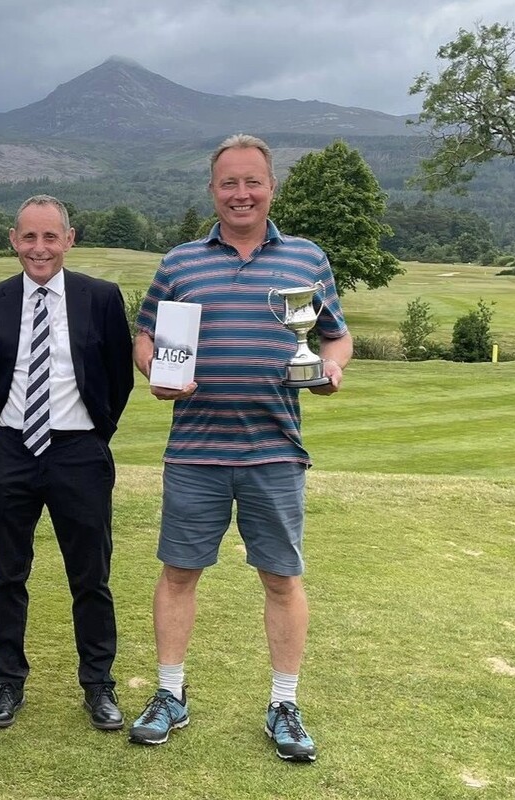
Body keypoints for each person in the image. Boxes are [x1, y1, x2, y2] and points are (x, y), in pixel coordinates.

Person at [127, 134, 352, 761]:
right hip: (194, 449)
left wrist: (332, 367)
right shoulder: (180, 263)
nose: (241, 193)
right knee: (179, 573)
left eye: (253, 181)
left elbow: (334, 336)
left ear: (271, 187)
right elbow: (144, 335)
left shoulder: (307, 258)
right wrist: (155, 372)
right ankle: (170, 693)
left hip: (275, 450)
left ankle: (284, 704)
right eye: (229, 182)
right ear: (213, 189)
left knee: (281, 578)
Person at [0, 195, 134, 730]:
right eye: (29, 237)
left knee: (91, 577)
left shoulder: (100, 297)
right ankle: (7, 683)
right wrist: (9, 428)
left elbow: (118, 377)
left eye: (50, 237)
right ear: (13, 240)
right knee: (7, 574)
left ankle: (98, 685)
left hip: (80, 452)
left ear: (69, 239)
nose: (39, 248)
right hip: (13, 449)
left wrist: (94, 434)